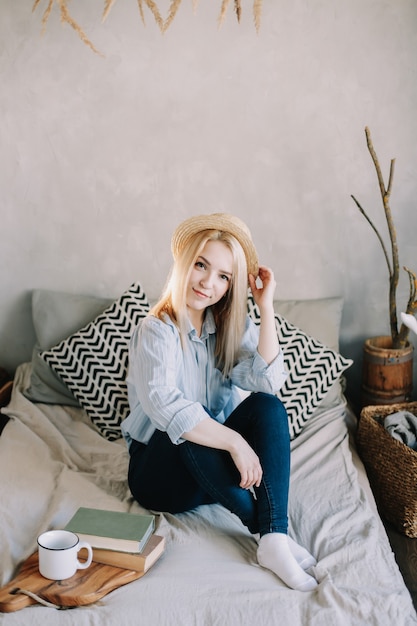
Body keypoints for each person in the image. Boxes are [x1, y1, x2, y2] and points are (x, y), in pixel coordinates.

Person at [122, 213, 318, 592]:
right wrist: (235, 442)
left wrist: (266, 308)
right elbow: (168, 407)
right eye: (201, 265)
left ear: (231, 285)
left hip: (206, 466)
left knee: (267, 407)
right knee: (187, 428)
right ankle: (266, 531)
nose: (208, 283)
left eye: (223, 276)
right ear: (184, 264)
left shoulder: (225, 328)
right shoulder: (156, 329)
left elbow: (269, 381)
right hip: (158, 474)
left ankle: (274, 538)